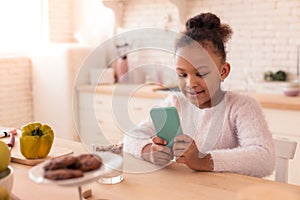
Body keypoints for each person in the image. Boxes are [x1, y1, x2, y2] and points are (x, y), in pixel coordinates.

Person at [124, 12, 275, 177]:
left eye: (201, 73)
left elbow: (264, 159)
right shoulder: (174, 103)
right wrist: (150, 152)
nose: (190, 83)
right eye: (182, 75)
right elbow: (131, 137)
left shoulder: (241, 107)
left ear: (223, 71)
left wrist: (204, 160)